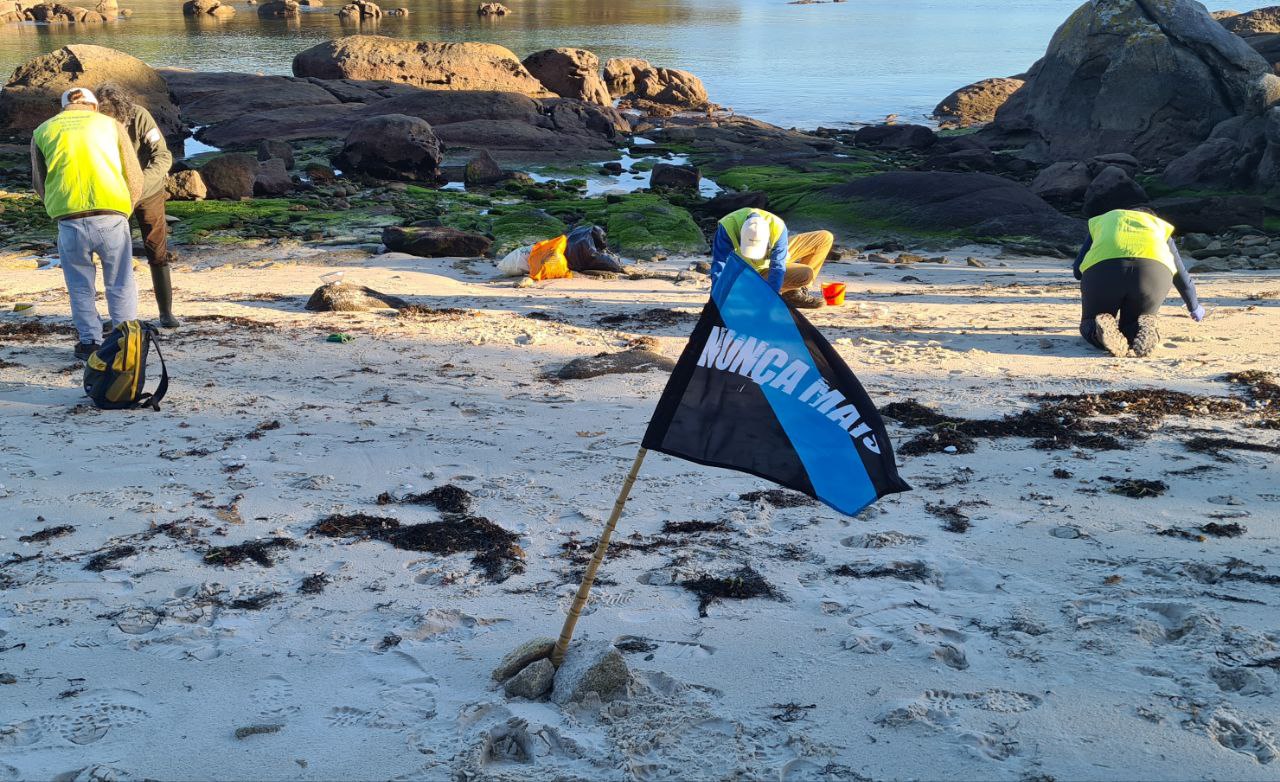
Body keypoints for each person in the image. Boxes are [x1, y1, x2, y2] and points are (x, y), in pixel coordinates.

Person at [30, 87, 143, 360]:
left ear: (64, 107)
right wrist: (125, 209)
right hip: (111, 214)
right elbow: (134, 175)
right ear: (93, 106)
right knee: (120, 282)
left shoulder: (43, 131)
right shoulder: (111, 125)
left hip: (69, 219)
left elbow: (38, 180)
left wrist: (55, 208)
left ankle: (90, 342)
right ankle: (124, 340)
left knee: (79, 285)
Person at [96, 83, 180, 328]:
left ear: (123, 111)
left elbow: (163, 156)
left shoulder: (140, 117)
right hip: (113, 195)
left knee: (156, 250)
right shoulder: (93, 126)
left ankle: (166, 312)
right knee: (114, 255)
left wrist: (140, 184)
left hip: (148, 192)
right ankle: (119, 317)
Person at [1074, 207, 1205, 358]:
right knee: (1134, 326)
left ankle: (1098, 333)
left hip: (1104, 273)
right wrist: (1194, 307)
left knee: (1092, 321)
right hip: (1154, 275)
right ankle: (1144, 328)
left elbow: (1077, 271)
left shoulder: (1104, 221)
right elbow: (1181, 275)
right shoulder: (1159, 227)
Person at [709, 207, 833, 309]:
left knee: (824, 238)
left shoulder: (777, 227)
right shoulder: (727, 228)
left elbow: (777, 267)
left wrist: (771, 299)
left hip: (771, 259)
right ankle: (767, 290)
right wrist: (717, 301)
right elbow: (719, 266)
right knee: (806, 273)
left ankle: (793, 293)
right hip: (749, 272)